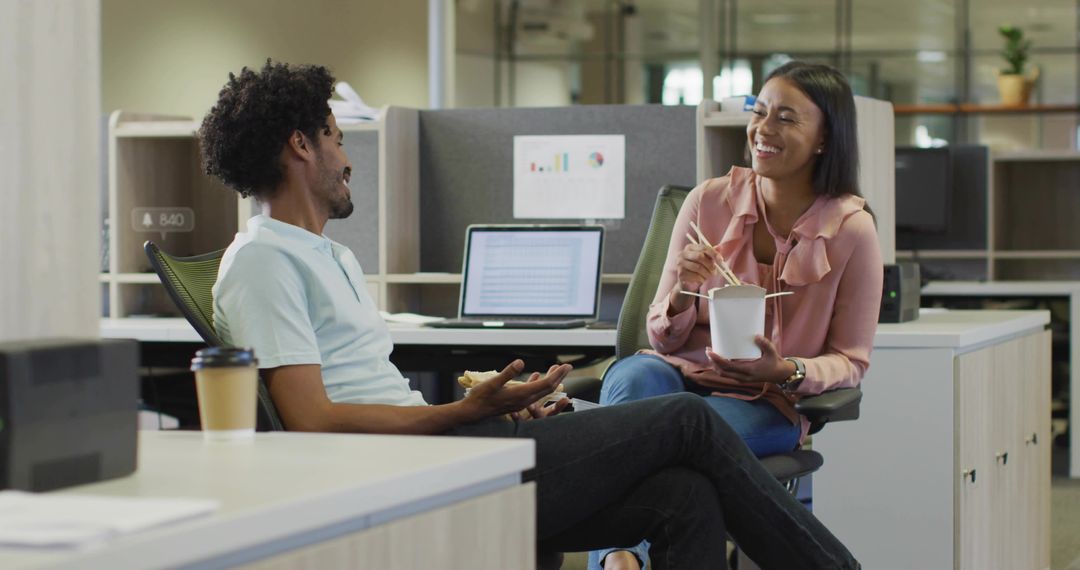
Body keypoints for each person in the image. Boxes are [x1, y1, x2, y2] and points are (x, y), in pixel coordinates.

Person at [201, 59, 860, 570]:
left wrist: (496, 407)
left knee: (685, 496)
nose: (348, 162)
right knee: (685, 418)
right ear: (299, 146)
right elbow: (311, 420)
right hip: (417, 468)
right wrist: (461, 412)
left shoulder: (325, 256)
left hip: (446, 448)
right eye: (337, 141)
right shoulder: (263, 261)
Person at [591, 61, 883, 569]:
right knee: (634, 375)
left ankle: (619, 558)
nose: (763, 130)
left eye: (786, 118)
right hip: (675, 372)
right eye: (759, 111)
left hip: (765, 399)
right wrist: (683, 290)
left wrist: (786, 370)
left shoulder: (852, 231)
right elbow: (660, 336)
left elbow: (850, 361)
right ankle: (621, 557)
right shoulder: (709, 202)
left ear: (823, 139)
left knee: (670, 439)